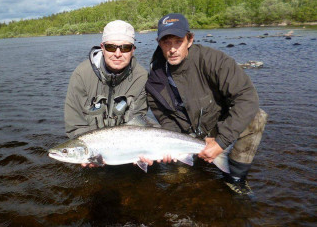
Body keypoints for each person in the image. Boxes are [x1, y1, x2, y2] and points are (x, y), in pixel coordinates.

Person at [145, 13, 268, 195]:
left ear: (190, 39)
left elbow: (247, 97)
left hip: (218, 127)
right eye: (166, 42)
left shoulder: (214, 61)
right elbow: (165, 118)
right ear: (159, 43)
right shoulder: (155, 80)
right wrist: (171, 146)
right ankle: (189, 166)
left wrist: (220, 141)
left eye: (178, 41)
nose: (172, 49)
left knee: (257, 117)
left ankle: (235, 178)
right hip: (184, 135)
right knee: (178, 180)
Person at [64, 20, 148, 166]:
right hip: (93, 153)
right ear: (102, 47)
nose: (117, 54)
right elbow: (75, 124)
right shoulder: (81, 75)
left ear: (133, 50)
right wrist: (86, 154)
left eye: (125, 48)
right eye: (111, 47)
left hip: (128, 153)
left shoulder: (141, 77)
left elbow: (138, 119)